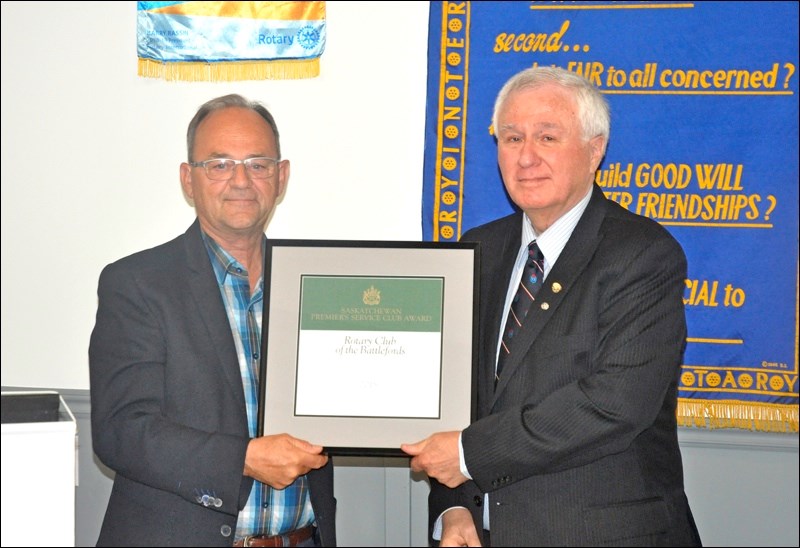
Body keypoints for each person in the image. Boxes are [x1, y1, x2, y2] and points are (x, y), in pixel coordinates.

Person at [401, 66, 702, 547]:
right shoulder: (477, 252)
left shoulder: (643, 255)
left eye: (547, 136)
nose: (526, 157)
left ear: (595, 148)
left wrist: (466, 455)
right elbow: (455, 401)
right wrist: (454, 505)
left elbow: (614, 404)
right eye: (512, 137)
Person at [89, 94, 336, 547]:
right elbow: (122, 430)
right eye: (219, 164)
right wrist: (242, 458)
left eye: (258, 164)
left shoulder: (315, 285)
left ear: (281, 178)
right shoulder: (136, 284)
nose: (241, 180)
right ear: (189, 179)